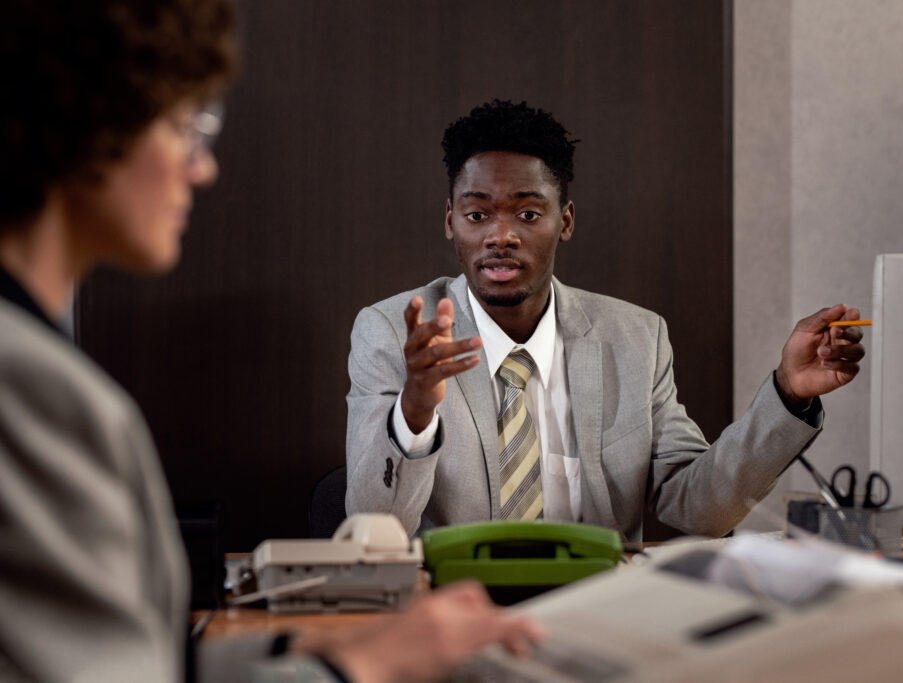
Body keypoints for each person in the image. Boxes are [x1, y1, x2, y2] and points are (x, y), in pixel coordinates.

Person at [0, 3, 538, 681]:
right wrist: (356, 669)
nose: (203, 170)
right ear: (89, 124)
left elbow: (135, 663)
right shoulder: (30, 390)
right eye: (185, 126)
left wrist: (305, 651)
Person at [346, 99, 865, 540]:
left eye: (527, 214)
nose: (500, 236)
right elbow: (374, 527)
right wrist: (414, 412)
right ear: (450, 221)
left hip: (592, 613)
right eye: (477, 214)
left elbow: (699, 509)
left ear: (564, 221)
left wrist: (789, 393)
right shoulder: (393, 332)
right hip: (453, 616)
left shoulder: (636, 338)